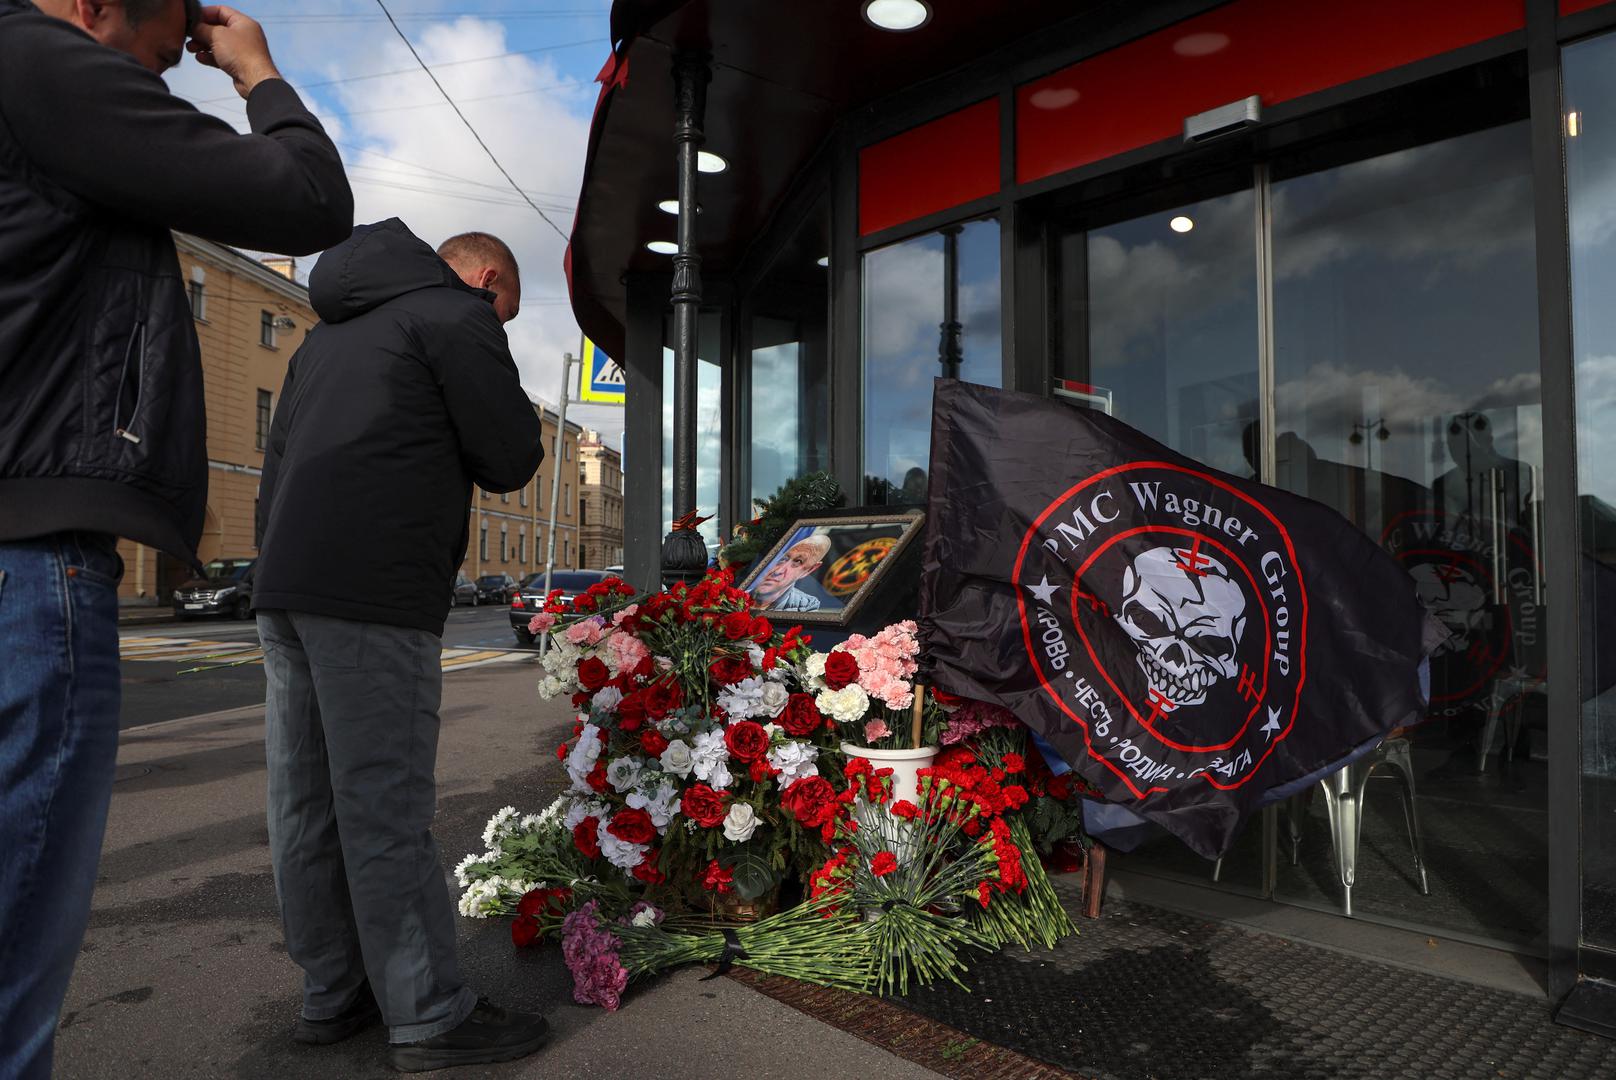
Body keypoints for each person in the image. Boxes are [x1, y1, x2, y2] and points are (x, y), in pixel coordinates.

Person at [0, 2, 352, 1074]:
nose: (166, 81)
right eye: (161, 58)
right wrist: (254, 72)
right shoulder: (36, 60)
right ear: (104, 6)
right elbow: (306, 200)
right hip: (30, 547)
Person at [252, 220, 548, 1072]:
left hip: (285, 589)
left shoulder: (324, 337)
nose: (502, 325)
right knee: (382, 800)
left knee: (303, 802)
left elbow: (274, 470)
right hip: (374, 589)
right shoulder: (456, 319)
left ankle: (332, 991)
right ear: (485, 279)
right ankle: (426, 1013)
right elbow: (510, 456)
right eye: (509, 312)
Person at [752, 532, 831, 612]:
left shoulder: (806, 605)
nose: (778, 571)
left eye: (798, 561)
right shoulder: (743, 591)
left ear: (809, 570)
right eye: (783, 559)